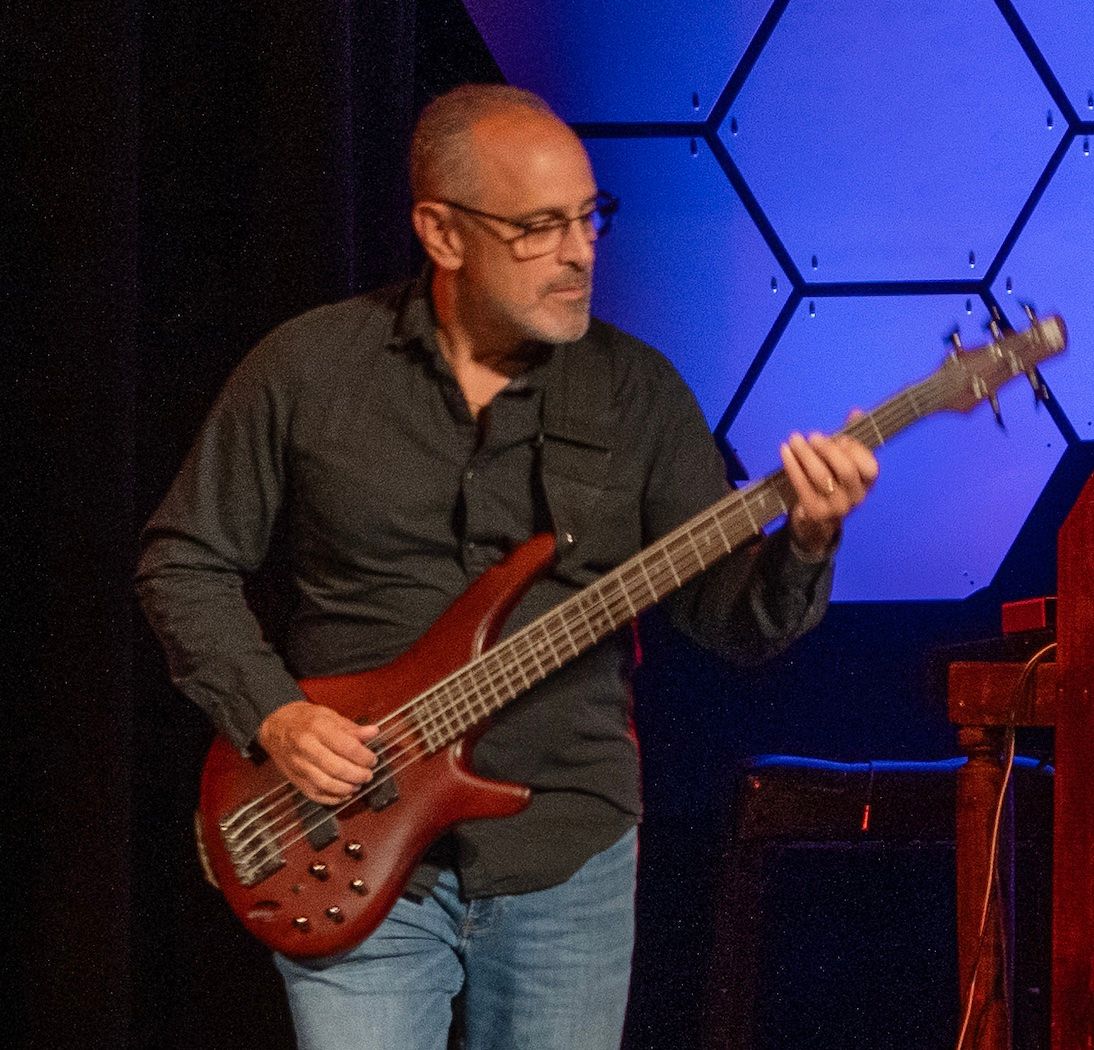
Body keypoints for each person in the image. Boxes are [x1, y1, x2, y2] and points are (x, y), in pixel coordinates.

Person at [136, 84, 879, 1050]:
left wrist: (808, 539)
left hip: (566, 850)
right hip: (343, 833)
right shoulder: (307, 369)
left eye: (589, 217)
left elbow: (729, 622)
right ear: (442, 233)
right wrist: (274, 715)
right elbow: (183, 559)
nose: (580, 252)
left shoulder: (639, 394)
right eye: (539, 228)